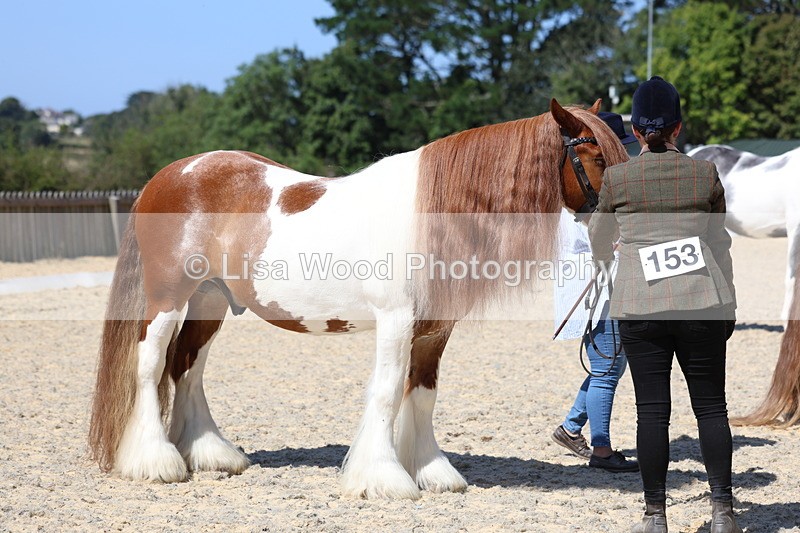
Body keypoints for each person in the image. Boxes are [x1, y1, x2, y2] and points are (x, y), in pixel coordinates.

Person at [588, 77, 741, 533]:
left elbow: (597, 236)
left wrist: (608, 253)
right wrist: (727, 303)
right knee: (712, 408)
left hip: (641, 304)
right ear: (678, 128)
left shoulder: (618, 177)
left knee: (652, 412)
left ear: (635, 131)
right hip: (702, 301)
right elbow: (719, 243)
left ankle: (655, 517)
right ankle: (723, 514)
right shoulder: (705, 172)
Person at [551, 111, 639, 474]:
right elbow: (594, 244)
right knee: (607, 367)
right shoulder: (587, 200)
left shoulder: (586, 196)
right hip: (600, 291)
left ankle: (572, 427)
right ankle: (601, 450)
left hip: (600, 287)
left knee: (611, 366)